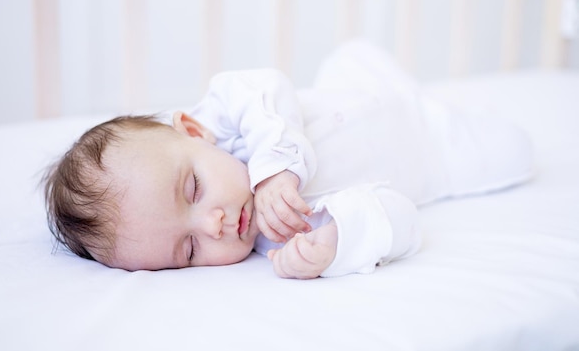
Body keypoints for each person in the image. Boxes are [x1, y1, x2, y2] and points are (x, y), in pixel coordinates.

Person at [43, 41, 534, 279]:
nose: (213, 225)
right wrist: (337, 243)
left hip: (361, 91)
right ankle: (455, 111)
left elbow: (266, 84)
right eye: (189, 251)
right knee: (516, 153)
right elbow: (401, 218)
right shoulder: (281, 234)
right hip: (431, 146)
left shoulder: (227, 119)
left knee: (350, 54)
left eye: (193, 190)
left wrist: (275, 166)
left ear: (191, 131)